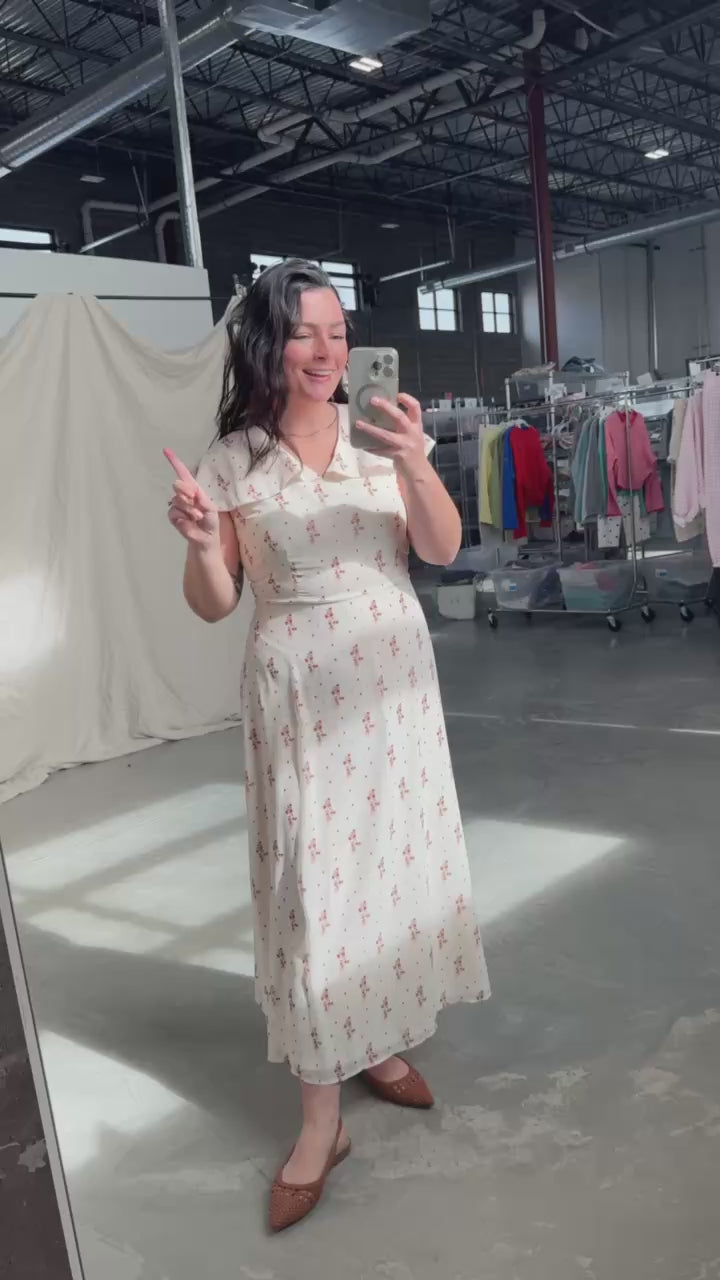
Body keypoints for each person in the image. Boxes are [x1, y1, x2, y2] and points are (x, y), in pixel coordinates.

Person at [166, 259, 489, 1232]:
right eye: (305, 331)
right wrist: (200, 545)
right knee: (315, 888)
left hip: (395, 695)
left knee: (386, 873)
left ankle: (377, 1041)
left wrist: (419, 462)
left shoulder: (379, 436)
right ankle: (322, 1121)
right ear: (268, 341)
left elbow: (440, 549)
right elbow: (215, 602)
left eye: (338, 331)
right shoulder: (233, 461)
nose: (327, 350)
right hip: (300, 698)